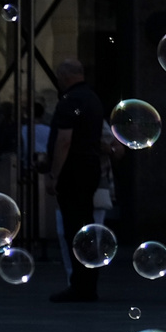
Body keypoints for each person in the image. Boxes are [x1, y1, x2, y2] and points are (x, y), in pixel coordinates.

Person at [47, 59, 104, 302]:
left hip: (73, 173)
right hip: (90, 169)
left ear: (64, 76)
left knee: (74, 230)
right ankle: (88, 284)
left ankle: (80, 286)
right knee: (86, 226)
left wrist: (53, 174)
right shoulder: (93, 99)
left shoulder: (70, 101)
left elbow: (64, 141)